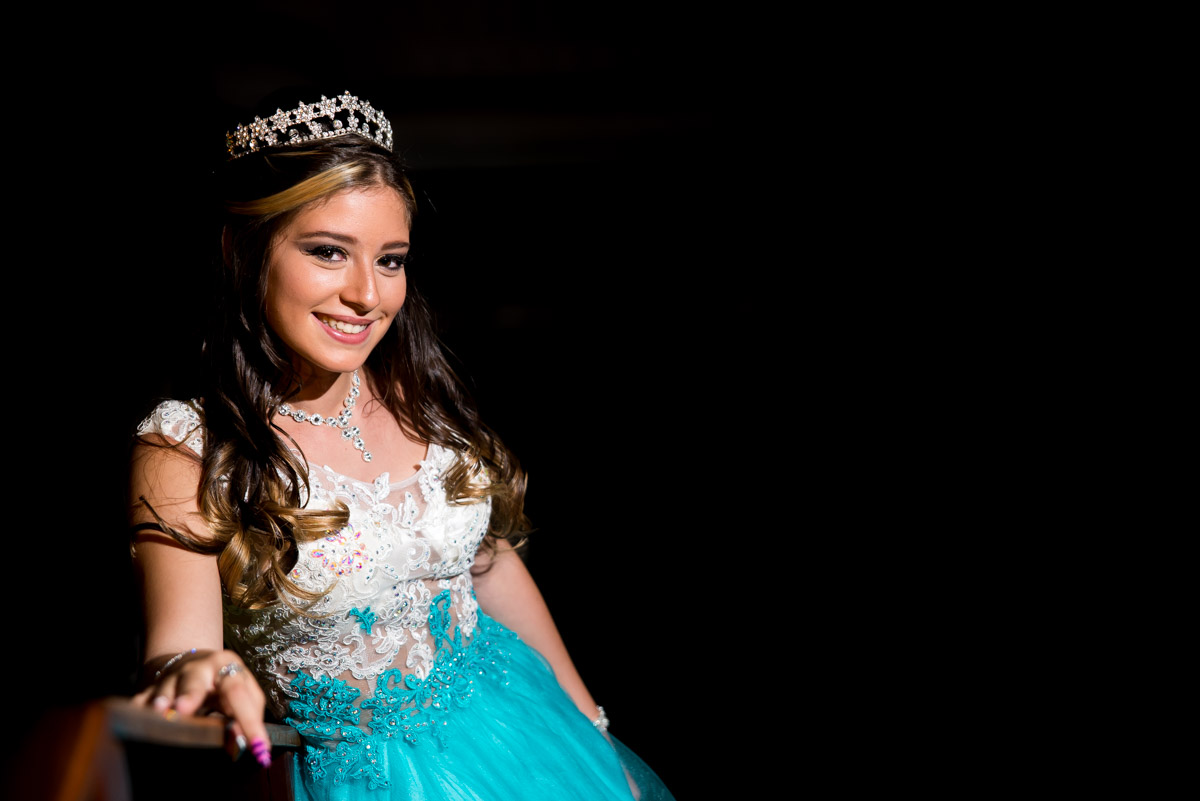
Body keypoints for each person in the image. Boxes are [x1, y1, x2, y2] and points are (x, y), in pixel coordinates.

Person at [128, 90, 674, 801]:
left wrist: (589, 728)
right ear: (243, 249)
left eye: (390, 260)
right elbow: (179, 646)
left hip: (525, 735)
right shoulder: (191, 445)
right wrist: (200, 668)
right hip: (377, 779)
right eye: (328, 252)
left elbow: (488, 564)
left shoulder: (415, 392)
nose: (367, 294)